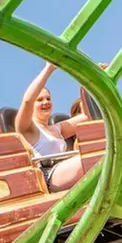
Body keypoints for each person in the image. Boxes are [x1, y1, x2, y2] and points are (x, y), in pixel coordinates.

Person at [16, 63, 89, 191]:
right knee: (91, 157)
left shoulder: (57, 129)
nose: (46, 102)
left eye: (48, 99)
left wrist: (91, 82)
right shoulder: (27, 129)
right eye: (40, 100)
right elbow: (27, 101)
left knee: (100, 151)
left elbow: (88, 115)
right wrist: (49, 68)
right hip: (48, 176)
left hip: (64, 170)